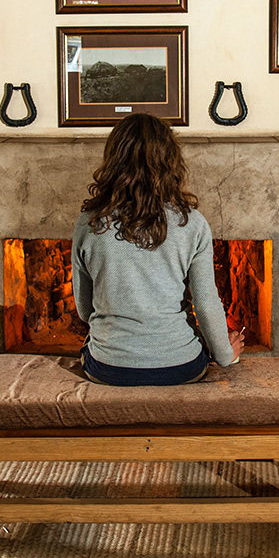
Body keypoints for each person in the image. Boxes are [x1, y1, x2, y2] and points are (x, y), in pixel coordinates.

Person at [71, 113, 244, 386]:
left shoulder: (89, 222)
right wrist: (224, 355)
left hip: (108, 369)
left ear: (113, 160)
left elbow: (84, 309)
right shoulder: (193, 223)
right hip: (181, 367)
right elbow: (206, 302)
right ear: (171, 160)